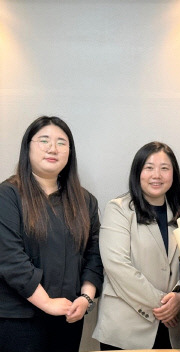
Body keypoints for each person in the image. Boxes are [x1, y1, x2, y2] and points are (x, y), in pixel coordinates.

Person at [0, 116, 102, 352]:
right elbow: (10, 258)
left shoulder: (85, 201)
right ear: (28, 147)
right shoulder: (8, 195)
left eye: (61, 142)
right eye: (44, 140)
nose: (52, 148)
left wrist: (86, 299)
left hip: (68, 316)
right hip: (18, 320)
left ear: (70, 151)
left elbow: (94, 255)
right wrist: (46, 303)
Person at [93, 142, 180, 350]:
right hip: (127, 328)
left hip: (174, 329)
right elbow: (117, 266)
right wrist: (165, 304)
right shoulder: (119, 209)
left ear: (174, 174)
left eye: (164, 168)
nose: (157, 175)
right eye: (149, 167)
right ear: (137, 172)